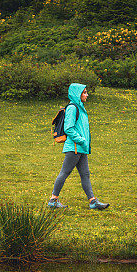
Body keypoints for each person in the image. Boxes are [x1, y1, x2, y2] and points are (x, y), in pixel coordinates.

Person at [48, 82, 109, 210]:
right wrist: (81, 140)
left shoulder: (80, 107)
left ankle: (93, 201)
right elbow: (68, 128)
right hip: (74, 147)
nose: (87, 95)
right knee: (64, 173)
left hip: (81, 147)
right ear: (78, 94)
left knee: (85, 174)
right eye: (84, 92)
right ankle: (53, 200)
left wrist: (84, 143)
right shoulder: (73, 108)